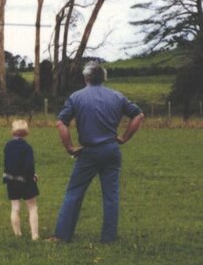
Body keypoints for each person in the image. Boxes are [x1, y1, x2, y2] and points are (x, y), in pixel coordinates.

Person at [51, 61, 144, 243]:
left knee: (74, 192)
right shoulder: (117, 96)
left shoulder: (76, 97)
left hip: (89, 152)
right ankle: (108, 238)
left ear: (86, 77)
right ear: (104, 78)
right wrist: (124, 138)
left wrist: (70, 148)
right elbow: (138, 115)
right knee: (111, 195)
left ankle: (62, 236)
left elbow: (60, 123)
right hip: (111, 150)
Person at [3, 119, 40, 240]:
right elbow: (29, 165)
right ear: (26, 133)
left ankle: (17, 234)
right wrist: (33, 175)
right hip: (26, 180)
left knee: (15, 207)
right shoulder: (27, 147)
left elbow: (7, 163)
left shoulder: (7, 146)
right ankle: (34, 235)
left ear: (12, 132)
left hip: (11, 179)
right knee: (32, 207)